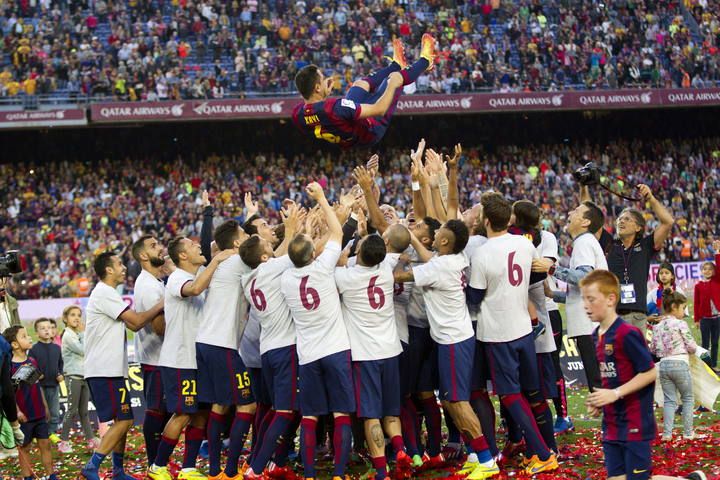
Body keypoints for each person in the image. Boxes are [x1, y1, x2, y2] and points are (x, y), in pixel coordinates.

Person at [580, 270, 707, 480]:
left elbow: (649, 372)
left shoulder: (627, 333)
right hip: (611, 424)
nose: (585, 305)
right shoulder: (595, 337)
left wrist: (615, 393)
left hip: (634, 423)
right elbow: (610, 376)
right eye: (584, 298)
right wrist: (599, 401)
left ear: (611, 299)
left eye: (591, 299)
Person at [467, 192, 557, 476]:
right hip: (523, 329)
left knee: (508, 395)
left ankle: (543, 454)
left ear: (486, 220)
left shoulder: (482, 253)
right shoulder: (524, 243)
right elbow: (538, 276)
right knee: (533, 394)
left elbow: (474, 297)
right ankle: (546, 448)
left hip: (498, 333)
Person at [280, 182, 356, 480]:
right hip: (336, 350)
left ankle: (310, 473)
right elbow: (337, 234)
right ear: (314, 253)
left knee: (310, 416)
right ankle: (338, 473)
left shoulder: (285, 279)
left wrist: (299, 229)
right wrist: (323, 200)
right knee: (341, 414)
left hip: (308, 354)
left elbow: (298, 252)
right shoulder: (323, 268)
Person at [147, 238, 234, 480]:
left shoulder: (198, 277)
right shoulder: (177, 279)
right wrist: (216, 259)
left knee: (200, 414)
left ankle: (187, 468)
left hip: (197, 360)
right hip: (179, 360)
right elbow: (194, 290)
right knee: (183, 413)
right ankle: (158, 466)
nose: (199, 247)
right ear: (183, 256)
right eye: (194, 246)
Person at [81, 251, 164, 480]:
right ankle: (92, 466)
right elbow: (136, 322)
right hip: (103, 369)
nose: (124, 267)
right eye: (119, 264)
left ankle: (118, 471)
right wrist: (163, 302)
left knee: (122, 420)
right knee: (125, 419)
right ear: (108, 269)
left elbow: (134, 325)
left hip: (112, 370)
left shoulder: (109, 293)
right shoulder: (104, 292)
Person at [336, 233, 412, 480]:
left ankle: (382, 471)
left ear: (359, 254)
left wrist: (341, 259)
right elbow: (399, 256)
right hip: (391, 350)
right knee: (391, 411)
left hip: (364, 354)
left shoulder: (345, 277)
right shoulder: (386, 270)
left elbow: (332, 269)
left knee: (371, 415)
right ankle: (400, 450)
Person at [240, 205, 302, 479]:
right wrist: (291, 227)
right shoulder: (272, 268)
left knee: (273, 410)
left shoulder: (248, 278)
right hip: (285, 348)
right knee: (286, 412)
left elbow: (276, 253)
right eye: (267, 245)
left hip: (267, 350)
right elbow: (289, 249)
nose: (272, 245)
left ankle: (264, 461)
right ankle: (256, 468)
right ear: (265, 256)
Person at [291, 36, 435, 148]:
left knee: (359, 84)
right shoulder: (335, 107)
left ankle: (396, 65)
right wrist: (393, 85)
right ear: (317, 88)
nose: (325, 80)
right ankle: (426, 61)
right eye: (322, 79)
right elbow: (380, 109)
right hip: (371, 130)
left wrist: (323, 96)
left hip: (348, 131)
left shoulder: (298, 114)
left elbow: (319, 116)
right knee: (394, 79)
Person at [196, 219, 255, 480]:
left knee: (220, 405)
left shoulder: (225, 262)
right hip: (222, 346)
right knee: (248, 406)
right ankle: (230, 471)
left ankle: (214, 471)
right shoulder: (236, 261)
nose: (248, 236)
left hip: (207, 342)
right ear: (236, 243)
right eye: (245, 234)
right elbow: (273, 257)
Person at [534, 201, 607, 391]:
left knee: (598, 382)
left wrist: (551, 268)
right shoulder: (585, 242)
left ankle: (615, 419)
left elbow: (584, 278)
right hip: (590, 323)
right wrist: (553, 294)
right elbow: (584, 292)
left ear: (585, 222)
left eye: (576, 211)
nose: (570, 213)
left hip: (590, 325)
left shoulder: (584, 242)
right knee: (598, 380)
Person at [589, 184, 674, 336]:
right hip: (612, 315)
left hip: (637, 316)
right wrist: (584, 187)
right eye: (620, 219)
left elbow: (668, 222)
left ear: (638, 227)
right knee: (613, 359)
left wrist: (650, 198)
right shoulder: (610, 243)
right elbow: (590, 219)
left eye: (627, 219)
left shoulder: (646, 245)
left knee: (634, 359)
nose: (621, 221)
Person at [131, 235, 171, 465]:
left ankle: (158, 462)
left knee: (163, 411)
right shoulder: (147, 285)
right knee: (157, 411)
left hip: (159, 358)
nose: (161, 248)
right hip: (156, 359)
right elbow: (159, 328)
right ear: (143, 256)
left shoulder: (154, 281)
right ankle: (154, 463)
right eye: (154, 246)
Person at [3, 325, 57, 480]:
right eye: (24, 336)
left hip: (39, 413)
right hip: (24, 416)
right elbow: (9, 394)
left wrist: (45, 406)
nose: (29, 338)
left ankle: (50, 475)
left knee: (45, 444)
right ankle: (27, 477)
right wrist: (17, 411)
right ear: (14, 344)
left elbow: (36, 385)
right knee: (25, 447)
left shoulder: (32, 361)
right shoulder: (9, 366)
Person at [650, 291, 706, 441]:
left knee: (669, 400)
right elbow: (691, 346)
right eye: (683, 308)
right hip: (680, 364)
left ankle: (667, 434)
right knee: (687, 398)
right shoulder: (680, 324)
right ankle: (688, 433)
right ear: (674, 307)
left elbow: (653, 349)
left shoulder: (658, 326)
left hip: (663, 366)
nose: (684, 312)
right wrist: (697, 351)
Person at [58, 305, 98, 454]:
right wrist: (83, 333)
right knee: (72, 410)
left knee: (84, 412)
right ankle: (63, 441)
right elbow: (84, 350)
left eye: (78, 315)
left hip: (84, 376)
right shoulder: (68, 335)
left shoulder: (76, 333)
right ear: (65, 319)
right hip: (73, 376)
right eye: (72, 315)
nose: (76, 318)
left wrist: (82, 334)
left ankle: (91, 439)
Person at [29, 317, 63, 442]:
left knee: (54, 411)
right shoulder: (33, 349)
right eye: (43, 328)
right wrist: (37, 374)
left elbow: (60, 364)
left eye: (49, 328)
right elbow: (30, 366)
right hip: (39, 387)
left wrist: (60, 374)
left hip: (54, 385)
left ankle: (51, 432)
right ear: (37, 333)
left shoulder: (57, 348)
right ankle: (38, 433)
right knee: (41, 411)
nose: (47, 330)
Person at [693, 241, 720, 372]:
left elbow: (719, 266)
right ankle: (706, 367)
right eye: (705, 269)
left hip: (717, 318)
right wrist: (696, 319)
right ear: (701, 271)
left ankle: (714, 364)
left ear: (714, 271)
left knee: (715, 343)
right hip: (704, 319)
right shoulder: (698, 285)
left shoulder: (716, 281)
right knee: (704, 344)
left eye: (710, 269)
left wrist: (717, 252)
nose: (707, 271)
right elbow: (696, 303)